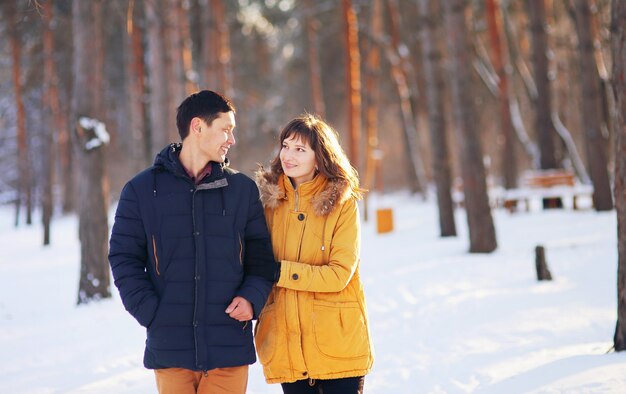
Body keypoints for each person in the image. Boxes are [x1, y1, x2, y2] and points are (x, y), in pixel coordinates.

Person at [108, 90, 275, 394]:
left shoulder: (242, 190)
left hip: (228, 347)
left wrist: (252, 298)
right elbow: (123, 258)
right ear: (197, 127)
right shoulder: (142, 190)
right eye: (226, 129)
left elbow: (261, 258)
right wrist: (151, 313)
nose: (231, 140)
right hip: (171, 350)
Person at [249, 114, 374, 393]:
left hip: (335, 344)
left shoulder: (342, 203)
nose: (288, 155)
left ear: (319, 158)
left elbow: (339, 274)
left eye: (300, 149)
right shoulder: (267, 203)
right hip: (286, 345)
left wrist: (279, 272)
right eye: (285, 146)